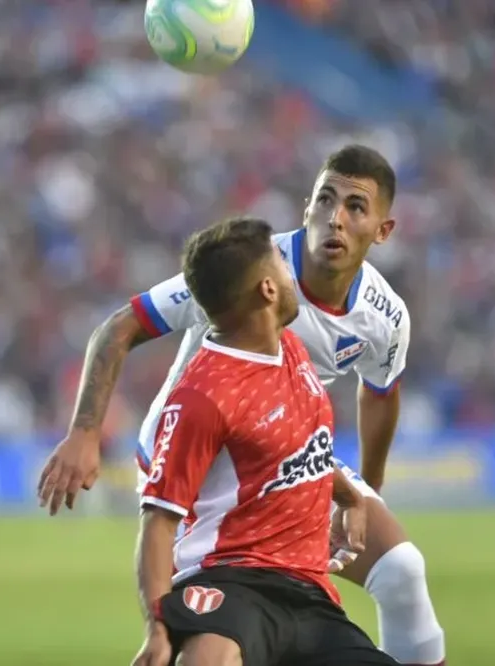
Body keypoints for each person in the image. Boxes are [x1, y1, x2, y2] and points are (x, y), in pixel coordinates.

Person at [38, 145, 446, 666]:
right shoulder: (248, 270)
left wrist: (365, 492)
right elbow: (120, 327)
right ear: (307, 208)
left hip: (285, 454)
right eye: (326, 200)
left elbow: (381, 393)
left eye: (355, 207)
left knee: (403, 571)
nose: (335, 219)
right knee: (222, 630)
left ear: (382, 230)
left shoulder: (382, 316)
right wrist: (85, 432)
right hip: (201, 465)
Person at [132, 216, 397, 666]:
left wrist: (349, 496)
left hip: (309, 592)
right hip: (230, 582)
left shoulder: (288, 349)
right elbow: (157, 521)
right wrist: (158, 627)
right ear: (267, 290)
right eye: (279, 262)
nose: (291, 270)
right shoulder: (202, 396)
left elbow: (291, 448)